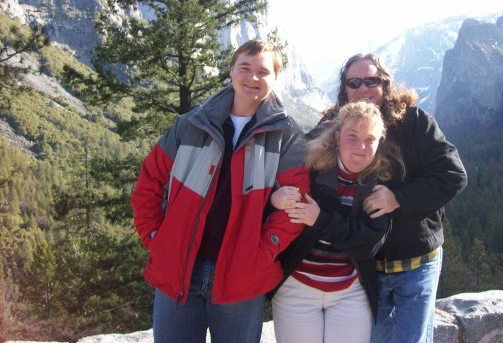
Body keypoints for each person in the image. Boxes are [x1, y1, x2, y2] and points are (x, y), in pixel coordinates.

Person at [130, 39, 310, 343]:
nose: (253, 78)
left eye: (263, 72)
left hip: (241, 277)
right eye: (245, 68)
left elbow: (296, 205)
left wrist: (262, 254)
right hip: (178, 268)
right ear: (231, 71)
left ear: (275, 79)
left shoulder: (287, 136)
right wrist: (155, 238)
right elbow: (149, 181)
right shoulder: (191, 124)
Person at [319, 53, 468, 343]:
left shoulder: (415, 122)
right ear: (345, 89)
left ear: (385, 85)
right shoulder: (335, 128)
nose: (363, 88)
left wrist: (398, 198)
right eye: (354, 82)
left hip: (416, 263)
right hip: (366, 270)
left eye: (371, 81)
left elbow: (453, 174)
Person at [268, 101, 400, 343]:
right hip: (297, 288)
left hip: (349, 293)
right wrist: (273, 199)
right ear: (338, 137)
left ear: (379, 143)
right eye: (352, 136)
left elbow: (368, 243)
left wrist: (320, 219)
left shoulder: (380, 185)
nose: (361, 146)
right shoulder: (312, 170)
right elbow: (266, 205)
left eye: (370, 139)